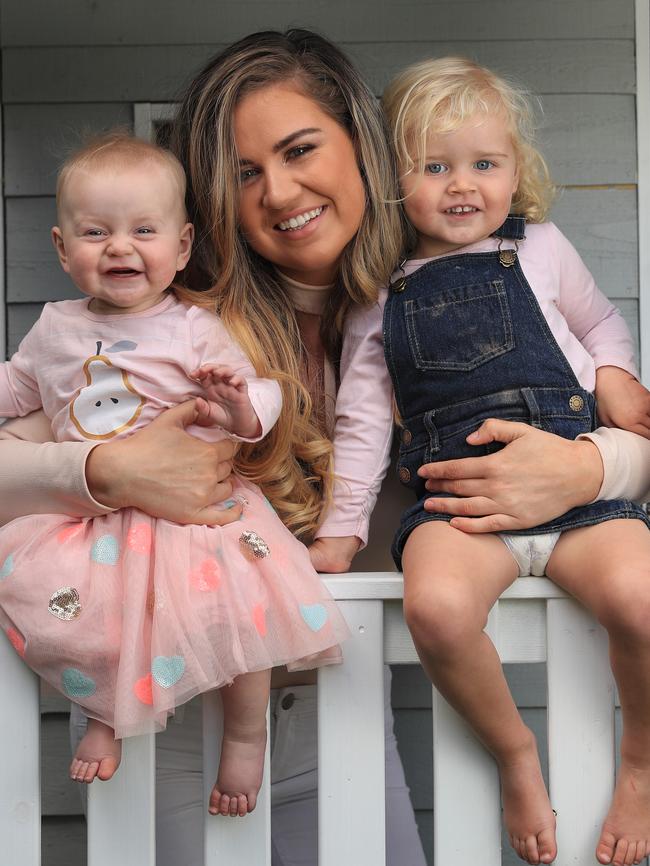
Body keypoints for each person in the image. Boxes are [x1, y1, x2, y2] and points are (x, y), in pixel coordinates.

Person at [0, 28, 649, 866]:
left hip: (345, 723)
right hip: (174, 727)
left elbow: (614, 409)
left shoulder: (480, 288)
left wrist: (593, 465)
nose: (278, 191)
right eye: (243, 173)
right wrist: (98, 469)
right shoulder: (170, 333)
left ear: (362, 145)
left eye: (300, 149)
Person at [0, 132, 349, 818]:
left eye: (143, 231)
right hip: (99, 513)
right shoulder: (53, 331)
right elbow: (15, 389)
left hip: (199, 512)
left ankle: (247, 736)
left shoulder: (192, 326)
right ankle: (107, 713)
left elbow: (264, 397)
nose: (120, 247)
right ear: (63, 248)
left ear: (182, 247)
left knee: (241, 616)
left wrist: (236, 403)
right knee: (93, 614)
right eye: (96, 232)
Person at [374, 57, 650, 866]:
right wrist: (339, 522)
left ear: (515, 171)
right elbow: (361, 415)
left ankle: (639, 757)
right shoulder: (380, 285)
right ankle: (514, 753)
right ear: (394, 180)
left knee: (641, 596)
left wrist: (614, 380)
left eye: (483, 164)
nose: (462, 186)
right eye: (434, 166)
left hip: (580, 492)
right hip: (460, 507)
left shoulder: (543, 247)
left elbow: (600, 325)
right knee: (437, 612)